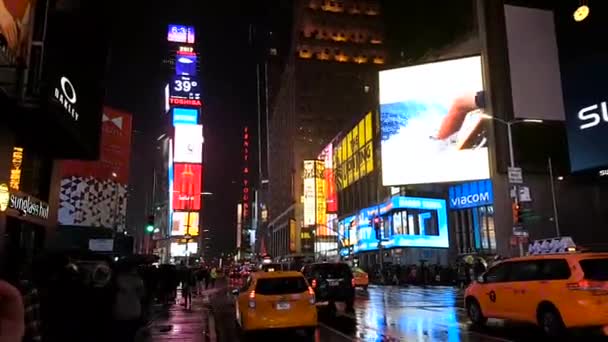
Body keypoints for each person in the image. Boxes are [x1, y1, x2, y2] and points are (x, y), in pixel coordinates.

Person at [112, 262, 145, 342]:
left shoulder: (115, 279)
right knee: (131, 333)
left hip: (118, 309)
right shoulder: (137, 280)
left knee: (120, 332)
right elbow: (142, 294)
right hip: (134, 309)